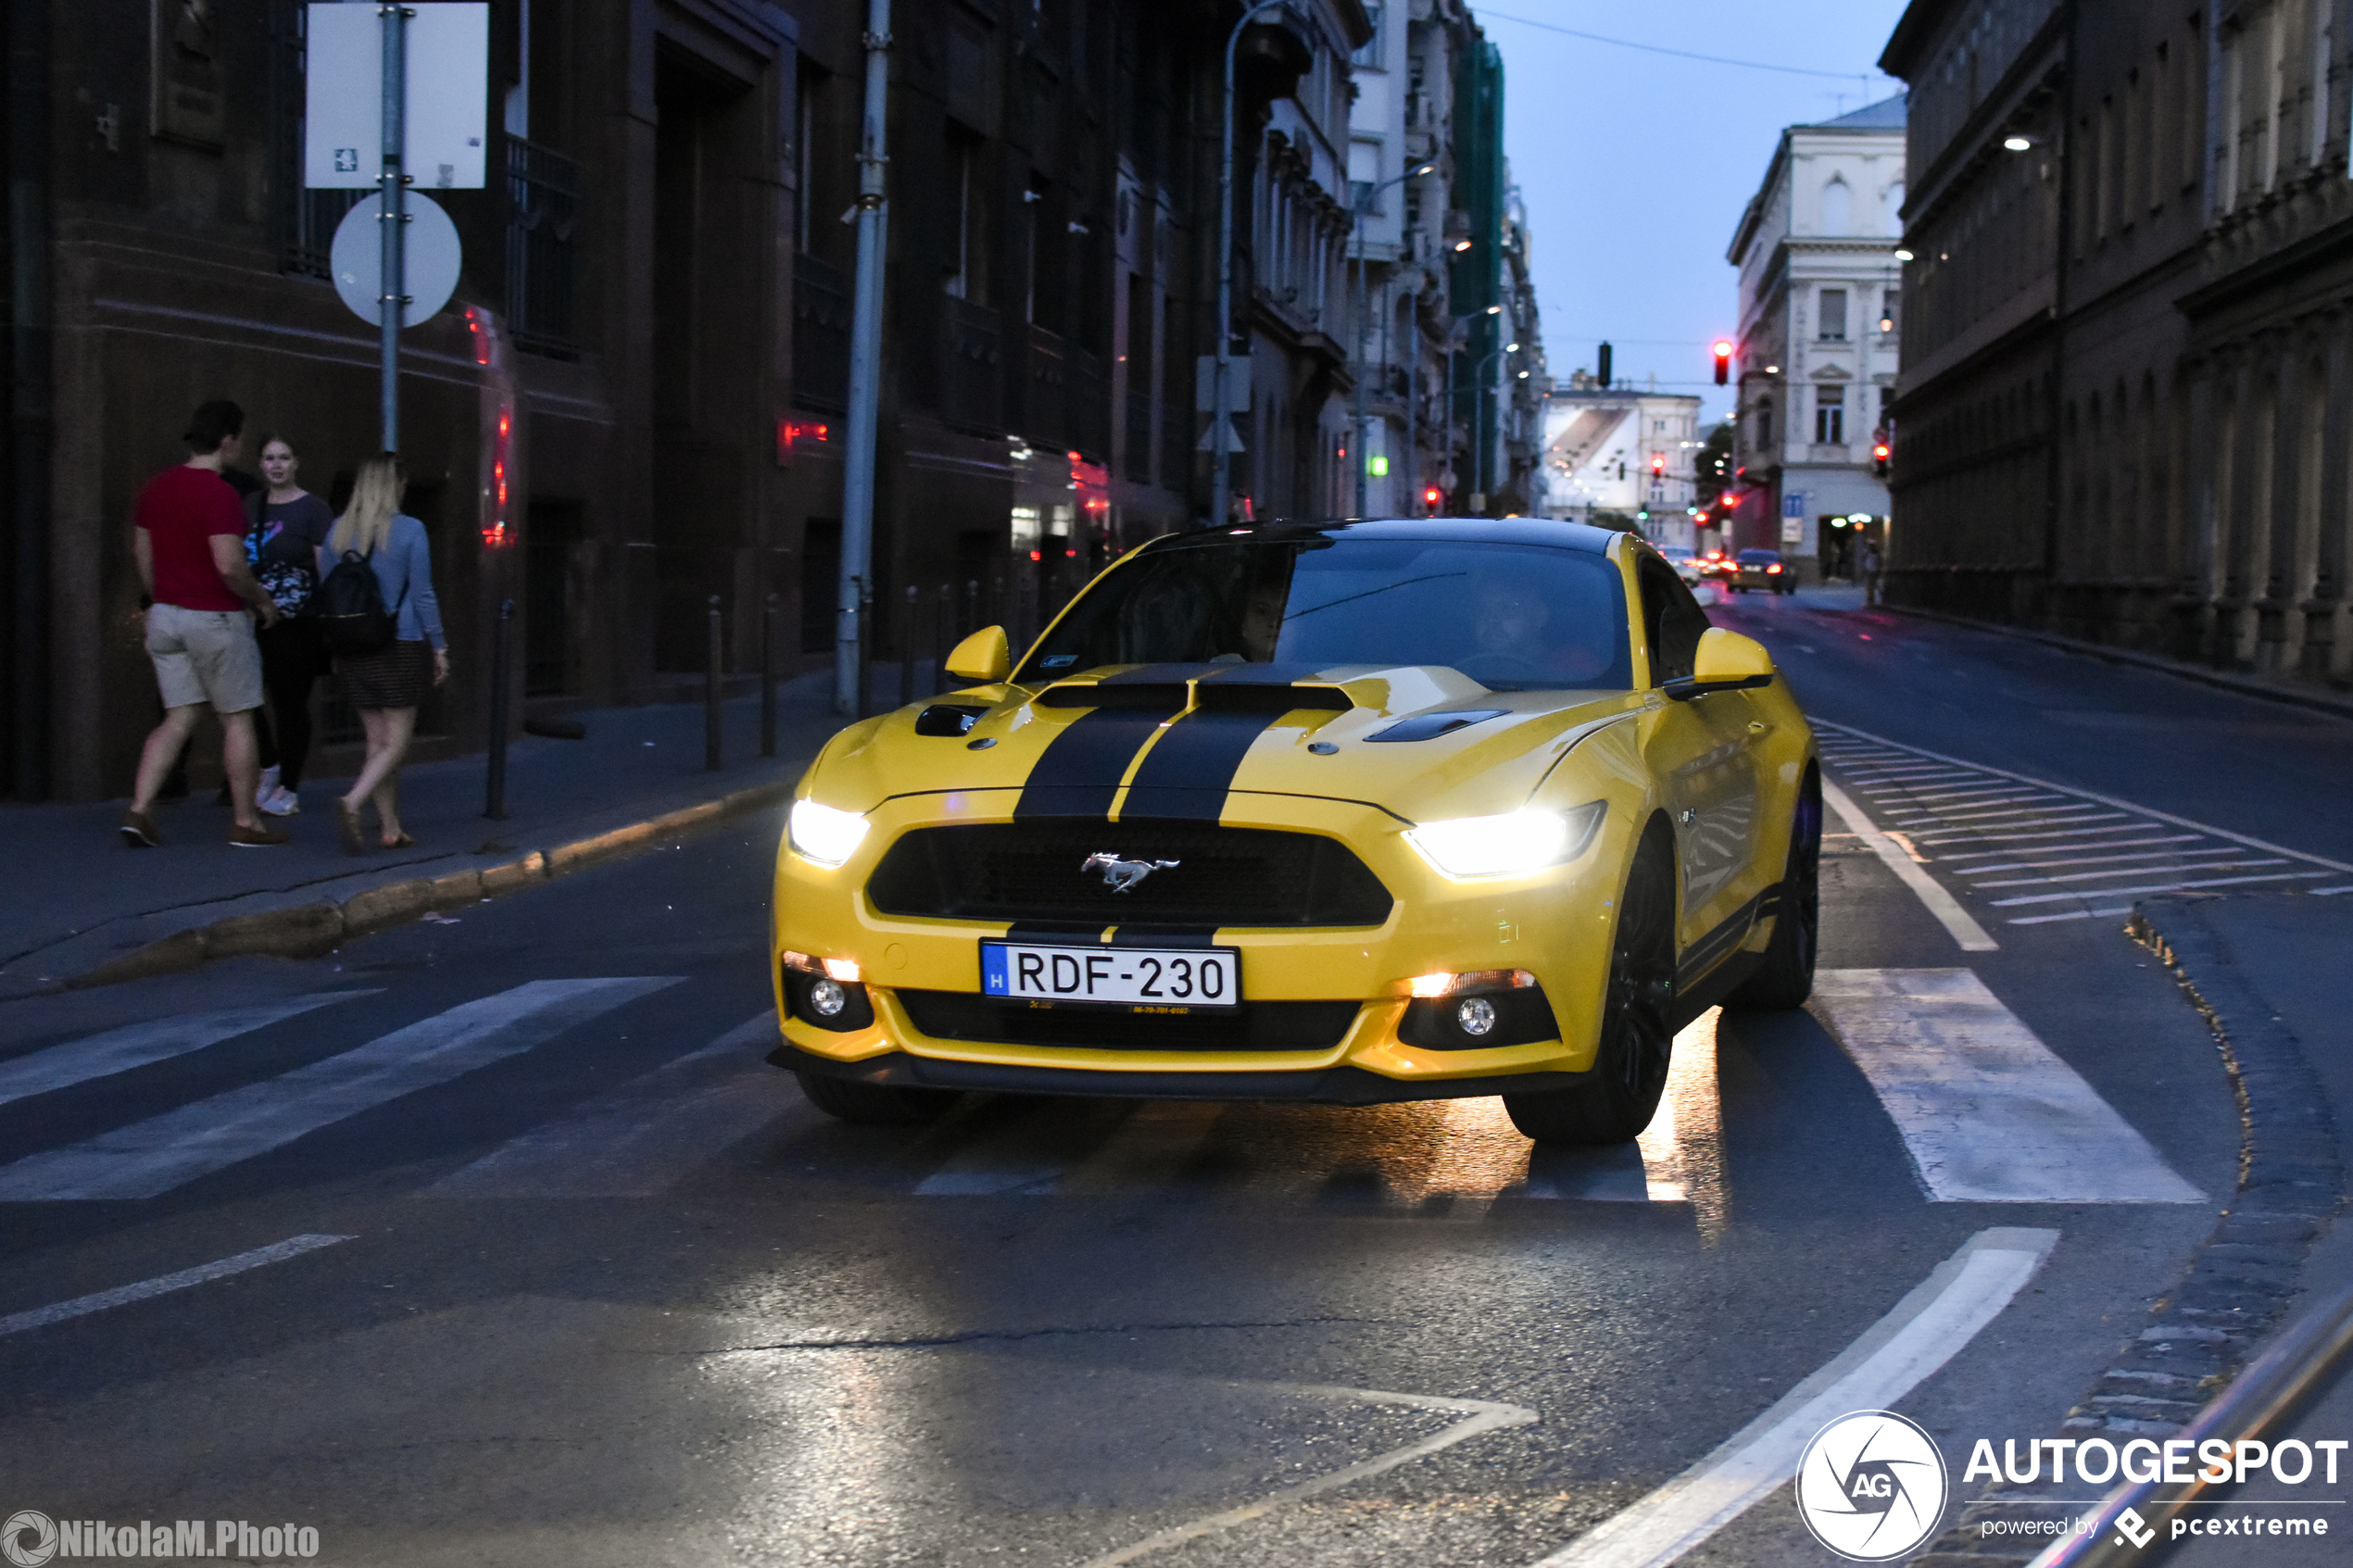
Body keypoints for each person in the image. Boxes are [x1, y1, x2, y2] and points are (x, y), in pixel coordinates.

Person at [120, 400, 291, 848]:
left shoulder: (155, 489)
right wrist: (262, 600)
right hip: (214, 618)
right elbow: (231, 566)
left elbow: (143, 555)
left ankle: (139, 811)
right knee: (237, 720)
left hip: (166, 616)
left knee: (177, 719)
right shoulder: (220, 495)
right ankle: (245, 822)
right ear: (228, 439)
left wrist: (162, 597)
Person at [319, 452, 447, 855]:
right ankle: (353, 801)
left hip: (354, 644)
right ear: (396, 486)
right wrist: (440, 645)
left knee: (377, 740)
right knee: (397, 743)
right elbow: (423, 592)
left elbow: (327, 589)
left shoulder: (338, 531)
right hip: (401, 640)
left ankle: (390, 828)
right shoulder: (410, 530)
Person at [243, 436, 335, 816]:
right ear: (260, 464)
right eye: (269, 458)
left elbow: (324, 567)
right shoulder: (251, 505)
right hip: (253, 618)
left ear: (296, 462)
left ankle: (289, 786)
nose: (277, 464)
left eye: (284, 457)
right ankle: (270, 764)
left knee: (290, 704)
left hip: (298, 622)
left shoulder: (313, 509)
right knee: (244, 697)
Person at [1860, 536, 1884, 607]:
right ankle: (1871, 600)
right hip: (1871, 571)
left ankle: (1871, 601)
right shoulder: (1872, 553)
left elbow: (1865, 562)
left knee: (1870, 587)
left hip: (1872, 572)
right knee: (1871, 587)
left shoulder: (1871, 553)